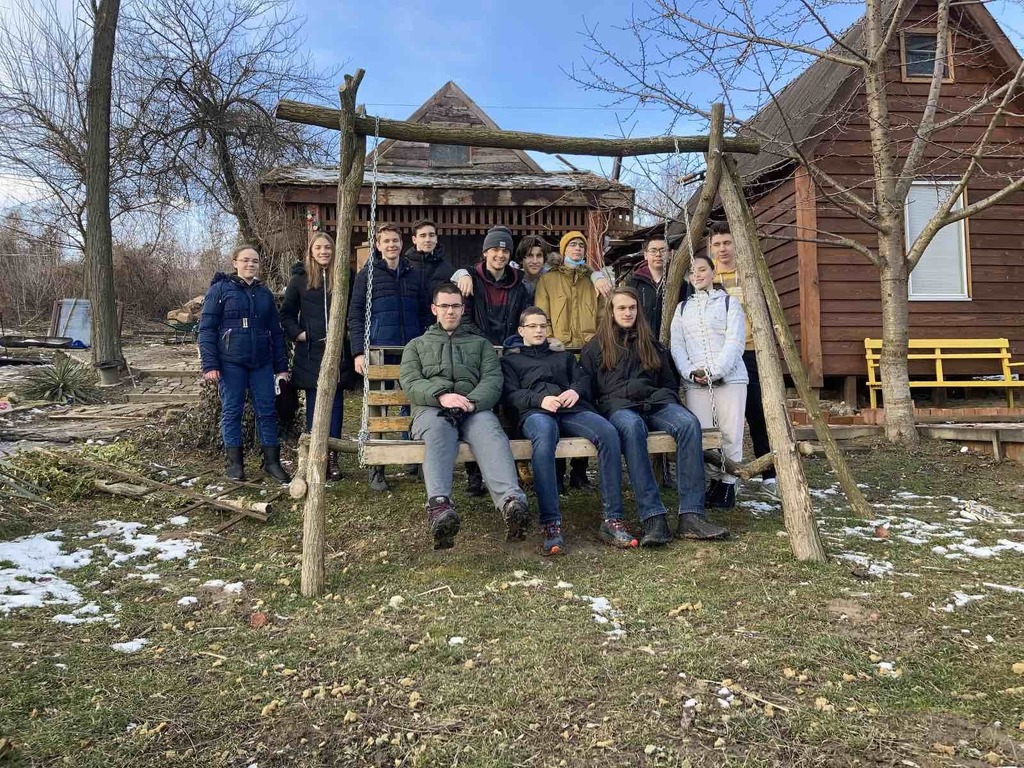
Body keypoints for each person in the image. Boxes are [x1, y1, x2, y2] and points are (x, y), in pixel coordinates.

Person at [581, 287, 729, 544]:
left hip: (656, 403)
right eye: (621, 308)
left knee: (688, 424)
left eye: (632, 308)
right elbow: (589, 390)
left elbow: (668, 382)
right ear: (611, 312)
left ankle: (692, 516)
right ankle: (653, 517)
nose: (628, 313)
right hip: (619, 408)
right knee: (633, 428)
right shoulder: (595, 348)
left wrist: (664, 399)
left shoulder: (651, 344)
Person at [399, 284, 530, 550]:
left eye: (455, 306)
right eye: (444, 306)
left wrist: (471, 402)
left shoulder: (480, 345)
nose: (450, 311)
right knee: (438, 432)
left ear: (462, 308)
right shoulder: (417, 345)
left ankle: (511, 502)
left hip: (472, 408)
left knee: (490, 430)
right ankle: (439, 507)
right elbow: (411, 381)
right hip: (432, 409)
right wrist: (441, 396)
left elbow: (492, 379)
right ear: (434, 309)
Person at [502, 307, 637, 554]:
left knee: (608, 432)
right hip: (536, 413)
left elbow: (583, 379)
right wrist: (539, 400)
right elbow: (510, 394)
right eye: (532, 326)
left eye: (543, 326)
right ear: (521, 330)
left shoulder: (563, 357)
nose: (538, 331)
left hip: (571, 410)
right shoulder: (510, 361)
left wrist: (575, 391)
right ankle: (550, 524)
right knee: (544, 435)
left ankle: (613, 519)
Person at [198, 245, 290, 484]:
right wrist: (210, 364)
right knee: (232, 411)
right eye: (246, 260)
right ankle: (235, 465)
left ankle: (271, 462)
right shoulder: (220, 290)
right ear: (235, 263)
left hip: (262, 362)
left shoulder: (264, 293)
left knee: (267, 411)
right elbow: (206, 329)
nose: (250, 264)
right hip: (230, 362)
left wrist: (281, 367)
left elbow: (276, 332)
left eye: (255, 261)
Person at [348, 223, 430, 491]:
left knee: (413, 402)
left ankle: (412, 457)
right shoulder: (367, 275)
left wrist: (425, 343)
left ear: (402, 243)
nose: (391, 245)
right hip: (379, 351)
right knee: (378, 408)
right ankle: (377, 467)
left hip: (411, 349)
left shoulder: (413, 274)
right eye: (386, 241)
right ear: (378, 245)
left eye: (395, 240)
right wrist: (358, 352)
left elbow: (425, 312)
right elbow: (355, 314)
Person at [669, 253, 748, 509]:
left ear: (713, 272)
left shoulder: (729, 303)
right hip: (696, 383)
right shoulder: (682, 309)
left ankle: (728, 485)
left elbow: (734, 342)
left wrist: (713, 371)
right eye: (692, 271)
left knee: (729, 432)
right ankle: (713, 480)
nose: (697, 274)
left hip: (730, 378)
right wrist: (691, 372)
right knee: (703, 434)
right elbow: (677, 345)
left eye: (702, 269)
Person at [707, 221, 777, 498]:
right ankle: (723, 476)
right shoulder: (708, 277)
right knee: (721, 419)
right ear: (710, 248)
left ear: (735, 244)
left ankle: (769, 475)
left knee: (757, 413)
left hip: (749, 351)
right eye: (717, 244)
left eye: (727, 243)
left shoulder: (750, 273)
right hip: (718, 356)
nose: (722, 249)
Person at [280, 232, 354, 483]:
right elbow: (286, 314)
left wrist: (346, 334)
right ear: (311, 251)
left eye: (328, 247)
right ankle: (316, 456)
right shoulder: (299, 280)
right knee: (315, 404)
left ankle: (332, 458)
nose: (324, 252)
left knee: (336, 405)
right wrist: (299, 334)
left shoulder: (345, 275)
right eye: (319, 248)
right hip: (311, 352)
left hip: (338, 350)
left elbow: (355, 307)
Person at [535, 230, 603, 490]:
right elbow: (541, 313)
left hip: (587, 352)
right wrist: (550, 338)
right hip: (558, 353)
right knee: (558, 408)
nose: (577, 249)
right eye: (572, 245)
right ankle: (557, 471)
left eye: (581, 245)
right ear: (564, 250)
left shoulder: (592, 281)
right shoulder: (548, 280)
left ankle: (580, 471)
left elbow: (602, 315)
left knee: (586, 406)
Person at [625, 235, 673, 339]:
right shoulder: (634, 283)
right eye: (653, 251)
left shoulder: (678, 282)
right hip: (641, 341)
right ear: (645, 255)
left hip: (670, 342)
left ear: (669, 254)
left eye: (663, 250)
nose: (658, 254)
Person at [404, 219, 457, 302]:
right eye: (423, 236)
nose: (428, 240)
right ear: (414, 239)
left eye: (431, 235)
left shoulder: (448, 269)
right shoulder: (403, 266)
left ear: (436, 238)